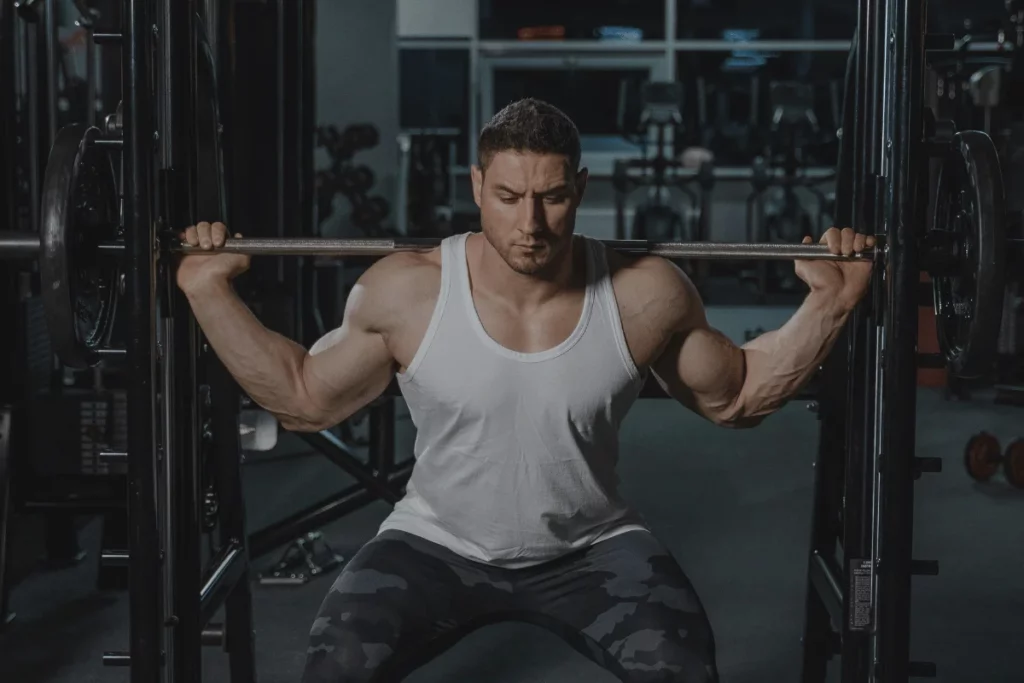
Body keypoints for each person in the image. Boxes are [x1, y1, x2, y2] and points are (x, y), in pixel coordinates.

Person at [177, 98, 875, 683]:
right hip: (434, 545)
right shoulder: (409, 291)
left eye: (552, 196)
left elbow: (738, 395)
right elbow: (306, 397)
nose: (530, 223)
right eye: (509, 197)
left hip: (592, 547)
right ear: (477, 185)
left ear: (583, 186)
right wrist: (207, 291)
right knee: (334, 665)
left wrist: (830, 305)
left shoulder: (644, 292)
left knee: (685, 666)